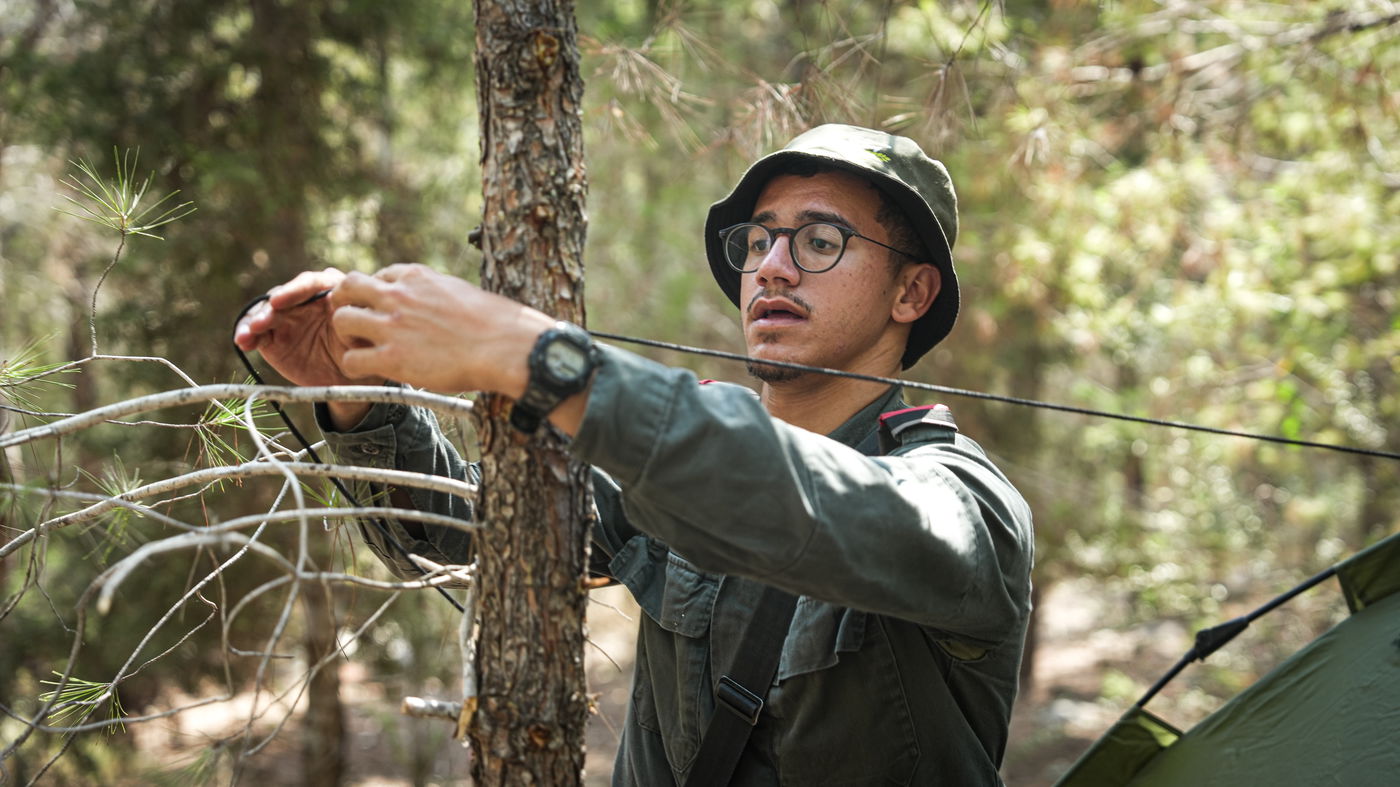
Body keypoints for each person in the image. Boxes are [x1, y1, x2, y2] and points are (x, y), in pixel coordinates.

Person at [235, 124, 1034, 785]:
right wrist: (357, 400)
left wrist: (535, 357)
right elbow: (460, 536)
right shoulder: (675, 469)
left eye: (820, 240)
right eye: (758, 239)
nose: (772, 267)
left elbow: (804, 503)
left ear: (911, 294)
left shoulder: (961, 502)